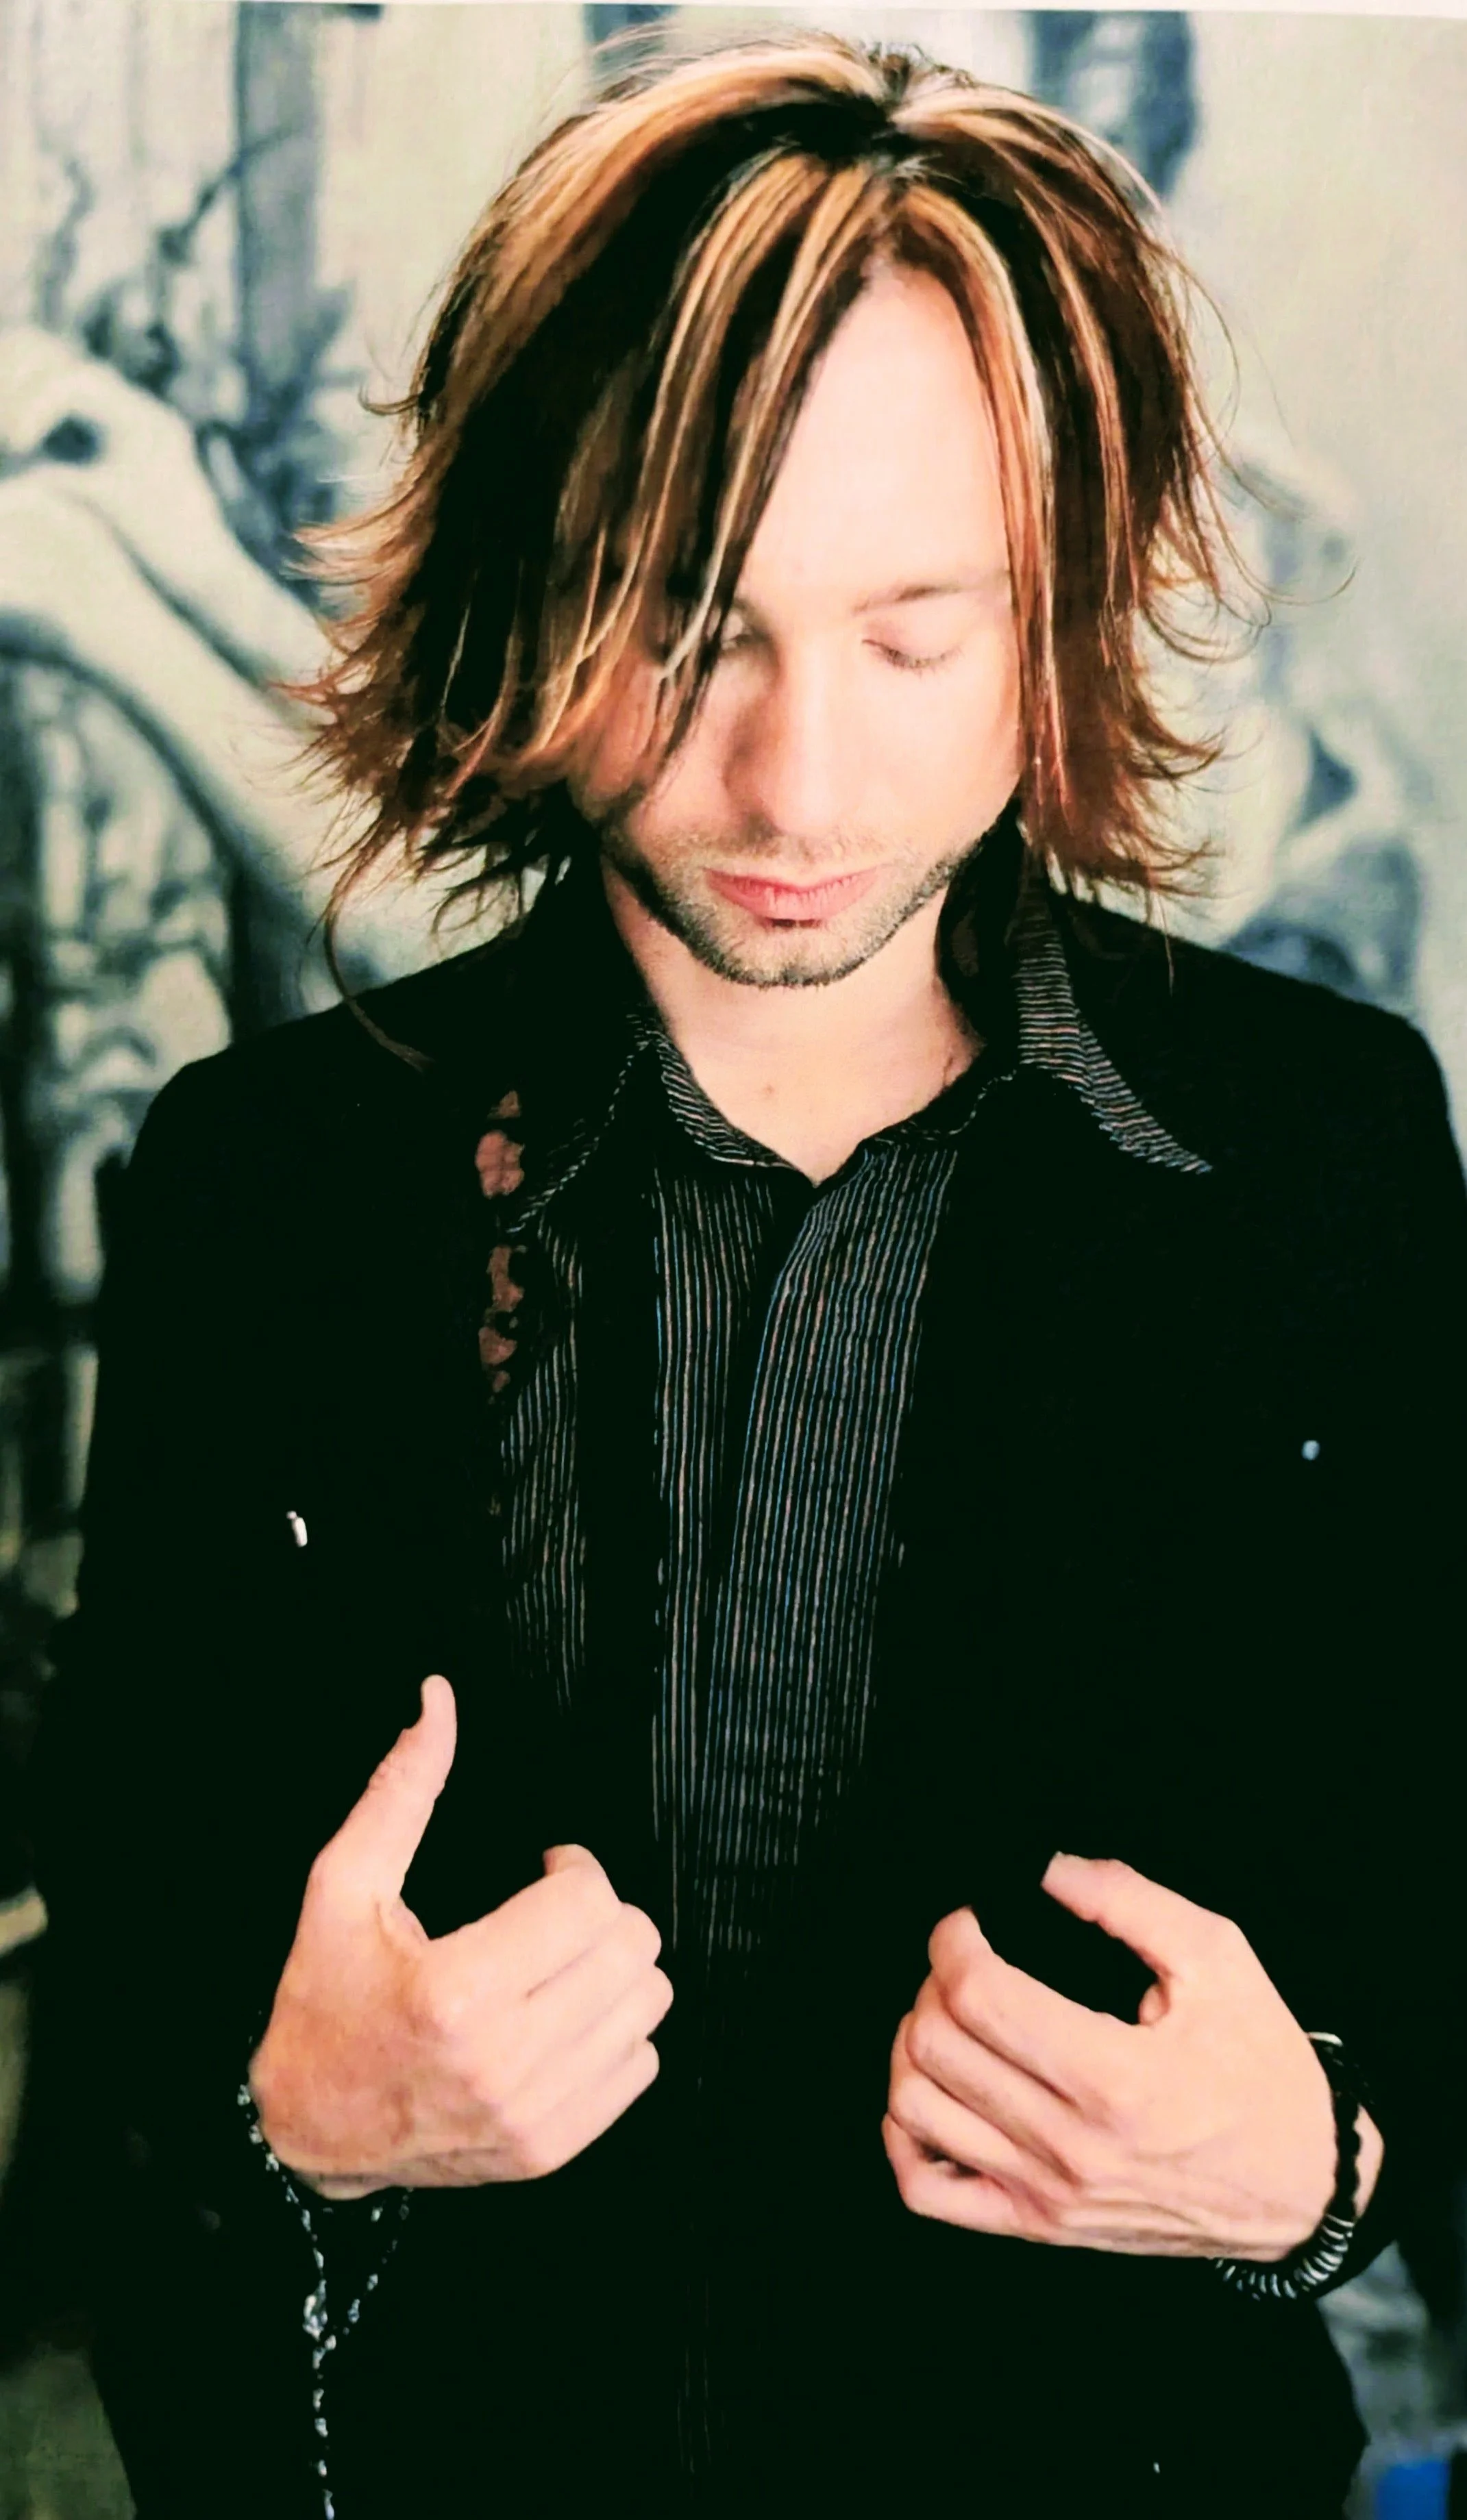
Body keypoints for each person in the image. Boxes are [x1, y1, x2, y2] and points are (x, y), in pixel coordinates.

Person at [28, 32, 1467, 2520]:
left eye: (919, 641)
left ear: (1067, 600)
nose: (799, 789)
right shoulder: (263, 1187)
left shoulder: (1320, 1157)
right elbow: (116, 2097)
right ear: (522, 590)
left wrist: (1309, 2166)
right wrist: (301, 2125)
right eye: (689, 635)